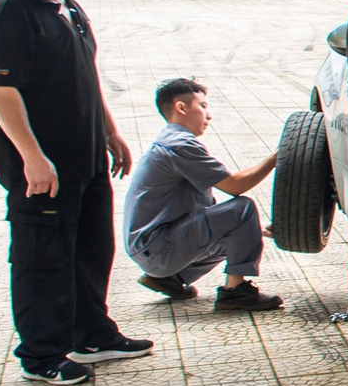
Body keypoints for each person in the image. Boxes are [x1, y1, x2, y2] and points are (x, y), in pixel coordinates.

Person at [0, 0, 151, 386]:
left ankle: (91, 333)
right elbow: (2, 94)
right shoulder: (7, 16)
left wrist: (110, 132)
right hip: (42, 166)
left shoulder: (67, 7)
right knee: (43, 258)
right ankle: (41, 353)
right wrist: (33, 156)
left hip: (85, 157)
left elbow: (86, 75)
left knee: (92, 250)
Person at [121, 78, 283, 311]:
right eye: (203, 106)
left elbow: (209, 215)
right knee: (243, 207)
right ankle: (234, 293)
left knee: (236, 235)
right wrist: (273, 159)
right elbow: (235, 186)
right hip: (157, 248)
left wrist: (254, 230)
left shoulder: (171, 139)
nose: (209, 116)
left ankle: (170, 279)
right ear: (181, 107)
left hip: (151, 249)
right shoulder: (179, 144)